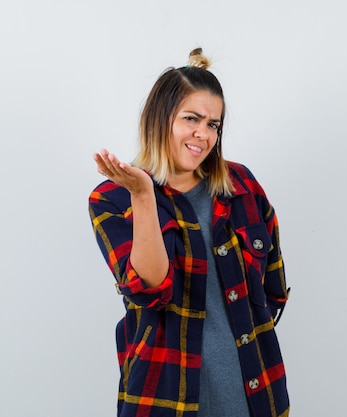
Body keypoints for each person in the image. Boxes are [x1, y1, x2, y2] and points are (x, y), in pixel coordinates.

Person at [88, 48, 290, 417]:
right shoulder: (113, 199)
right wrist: (143, 195)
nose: (203, 134)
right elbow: (150, 291)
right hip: (165, 397)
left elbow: (274, 291)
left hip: (255, 395)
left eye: (213, 124)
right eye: (191, 119)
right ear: (159, 119)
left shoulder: (242, 185)